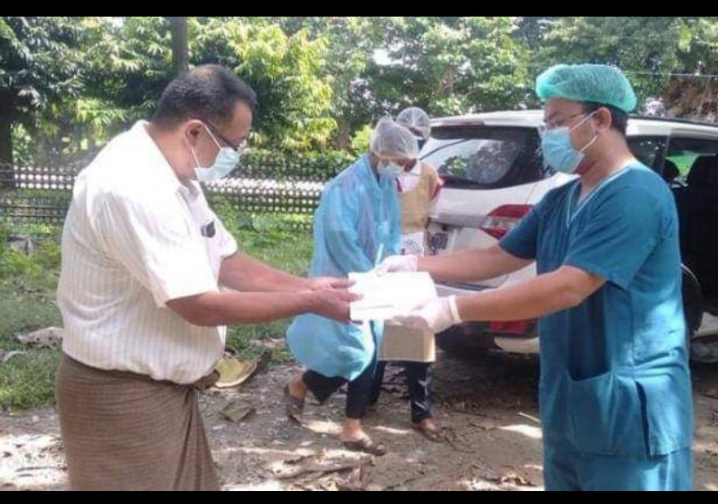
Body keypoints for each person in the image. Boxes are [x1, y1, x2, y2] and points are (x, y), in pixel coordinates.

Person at [380, 64, 694, 491]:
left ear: (601, 119)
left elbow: (569, 287)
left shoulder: (635, 194)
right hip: (572, 397)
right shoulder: (562, 198)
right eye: (546, 124)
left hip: (629, 403)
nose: (549, 135)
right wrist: (414, 265)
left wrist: (452, 308)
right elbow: (497, 256)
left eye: (557, 122)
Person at [55, 64, 357, 491]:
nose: (234, 155)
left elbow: (227, 260)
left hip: (164, 390)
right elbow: (198, 304)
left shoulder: (175, 175)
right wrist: (311, 303)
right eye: (233, 144)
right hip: (121, 394)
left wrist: (308, 285)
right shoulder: (131, 185)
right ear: (195, 131)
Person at [283, 117, 419, 456]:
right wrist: (367, 274)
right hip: (342, 277)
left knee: (368, 351)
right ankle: (328, 406)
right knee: (357, 350)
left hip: (373, 277)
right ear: (380, 153)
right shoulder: (344, 186)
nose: (402, 169)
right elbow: (339, 237)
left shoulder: (384, 184)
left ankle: (342, 419)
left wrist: (391, 263)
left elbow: (391, 229)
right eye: (400, 162)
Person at [367, 106, 444, 441]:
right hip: (381, 257)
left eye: (416, 141)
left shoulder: (429, 176)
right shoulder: (380, 172)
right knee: (377, 328)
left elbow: (434, 218)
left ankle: (421, 411)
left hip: (414, 260)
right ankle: (365, 398)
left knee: (418, 331)